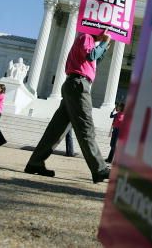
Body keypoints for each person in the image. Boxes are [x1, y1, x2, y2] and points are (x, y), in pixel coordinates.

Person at [25, 29, 112, 183]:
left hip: (73, 84)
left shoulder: (88, 41)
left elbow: (94, 61)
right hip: (78, 85)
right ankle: (99, 169)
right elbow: (91, 56)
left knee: (57, 129)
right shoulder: (86, 37)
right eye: (104, 29)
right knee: (86, 127)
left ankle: (35, 162)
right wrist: (104, 42)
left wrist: (105, 46)